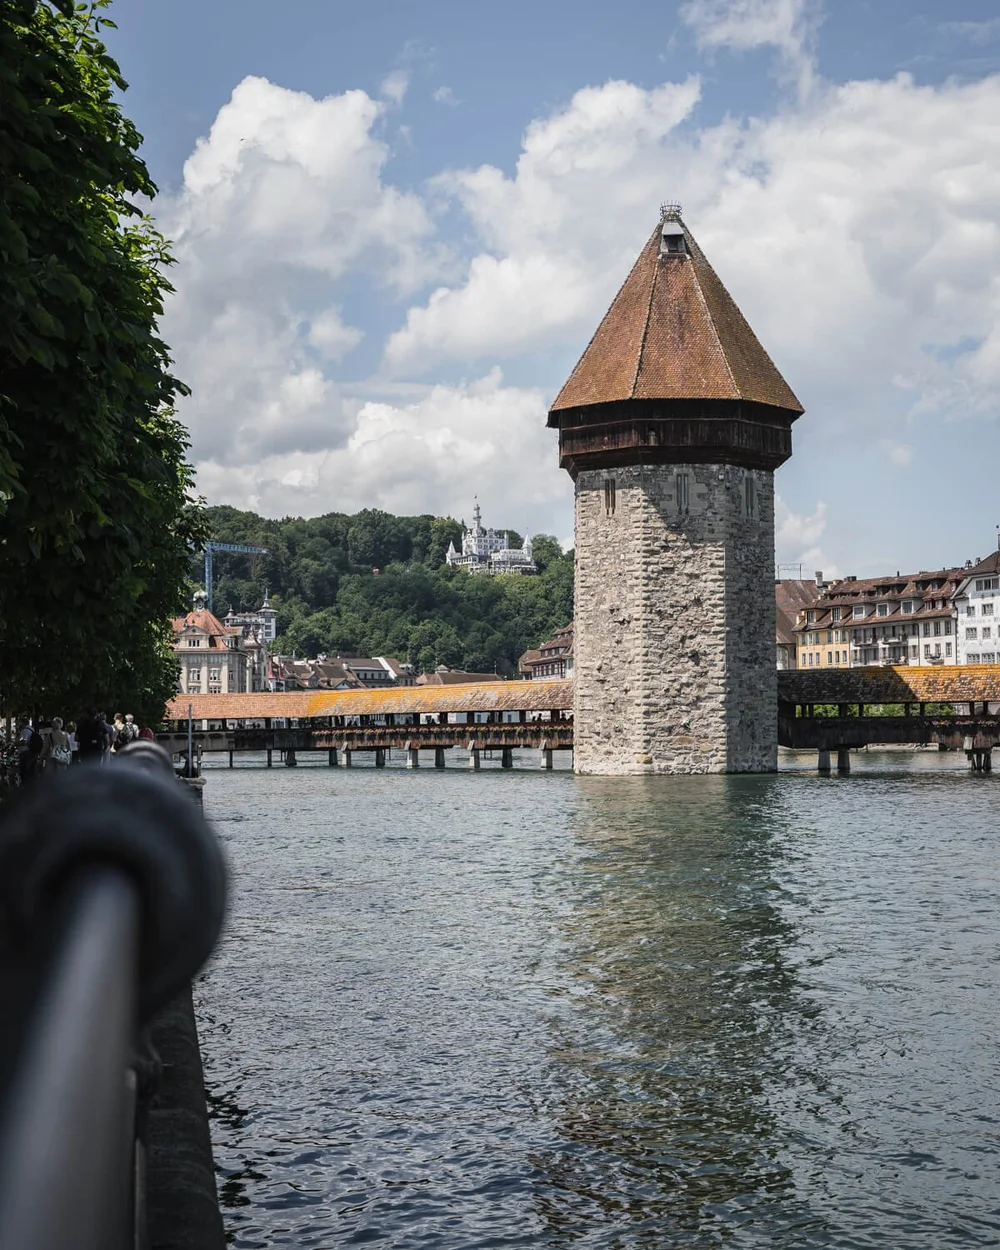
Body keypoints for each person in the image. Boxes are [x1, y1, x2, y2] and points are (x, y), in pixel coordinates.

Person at [17, 718, 43, 783]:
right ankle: (32, 787)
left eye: (20, 722)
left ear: (23, 723)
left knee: (24, 771)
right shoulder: (32, 730)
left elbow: (24, 741)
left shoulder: (25, 731)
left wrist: (16, 743)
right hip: (32, 752)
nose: (19, 724)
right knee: (31, 770)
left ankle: (26, 787)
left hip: (25, 753)